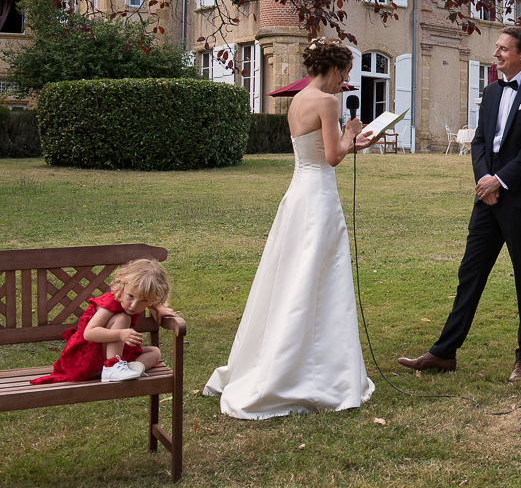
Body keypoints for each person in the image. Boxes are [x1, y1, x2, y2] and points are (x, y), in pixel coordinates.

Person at [205, 37, 376, 418]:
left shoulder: (298, 99)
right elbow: (332, 157)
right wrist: (352, 136)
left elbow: (313, 149)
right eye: (345, 73)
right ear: (334, 68)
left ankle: (287, 358)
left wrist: (349, 141)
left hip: (297, 193)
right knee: (319, 275)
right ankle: (308, 371)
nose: (344, 81)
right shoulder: (327, 102)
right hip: (318, 197)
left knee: (290, 275)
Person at [398, 26, 521, 382]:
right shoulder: (489, 91)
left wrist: (500, 181)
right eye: (496, 47)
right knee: (470, 273)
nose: (496, 53)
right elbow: (480, 141)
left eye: (503, 48)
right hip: (487, 196)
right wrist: (486, 182)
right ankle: (444, 353)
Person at [32, 258, 175, 384]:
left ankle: (132, 370)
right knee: (122, 318)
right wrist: (120, 334)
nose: (134, 305)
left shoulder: (137, 296)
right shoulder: (110, 303)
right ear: (122, 286)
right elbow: (89, 333)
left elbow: (146, 299)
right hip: (89, 356)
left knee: (155, 352)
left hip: (114, 353)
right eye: (130, 296)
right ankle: (112, 368)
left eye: (143, 301)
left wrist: (159, 309)